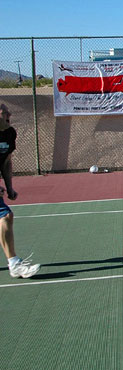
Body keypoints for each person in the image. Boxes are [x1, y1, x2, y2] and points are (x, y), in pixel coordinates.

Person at [0, 103, 40, 278]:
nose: (9, 113)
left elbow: (6, 161)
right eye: (4, 111)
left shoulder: (10, 133)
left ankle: (13, 263)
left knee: (5, 216)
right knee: (5, 216)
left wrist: (9, 187)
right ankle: (14, 264)